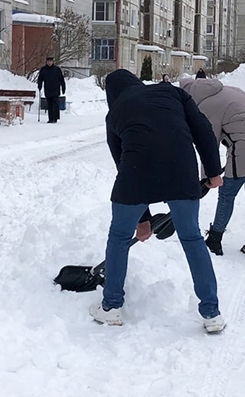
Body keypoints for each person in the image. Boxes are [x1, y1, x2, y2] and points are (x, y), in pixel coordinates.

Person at [93, 69, 226, 333]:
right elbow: (203, 129)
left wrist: (142, 220)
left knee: (119, 237)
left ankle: (111, 307)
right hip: (181, 171)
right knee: (192, 238)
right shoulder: (172, 92)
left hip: (135, 174)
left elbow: (122, 163)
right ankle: (211, 313)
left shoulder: (115, 112)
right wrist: (213, 171)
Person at [179, 76, 245, 260]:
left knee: (227, 194)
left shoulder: (206, 106)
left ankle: (214, 240)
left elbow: (209, 144)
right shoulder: (231, 89)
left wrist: (208, 178)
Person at [37, 56, 66, 123]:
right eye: (48, 61)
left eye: (50, 61)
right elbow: (40, 79)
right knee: (49, 104)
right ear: (46, 62)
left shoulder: (57, 69)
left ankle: (55, 118)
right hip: (48, 89)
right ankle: (50, 118)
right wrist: (39, 85)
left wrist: (63, 87)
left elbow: (61, 79)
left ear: (52, 62)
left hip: (56, 89)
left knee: (55, 103)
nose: (49, 63)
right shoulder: (43, 70)